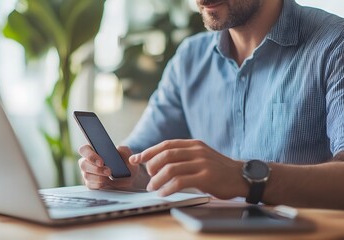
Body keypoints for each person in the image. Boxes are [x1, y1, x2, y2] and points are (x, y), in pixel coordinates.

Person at [78, 0, 344, 209]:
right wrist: (119, 175)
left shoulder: (334, 45)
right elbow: (139, 161)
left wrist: (243, 176)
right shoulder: (189, 59)